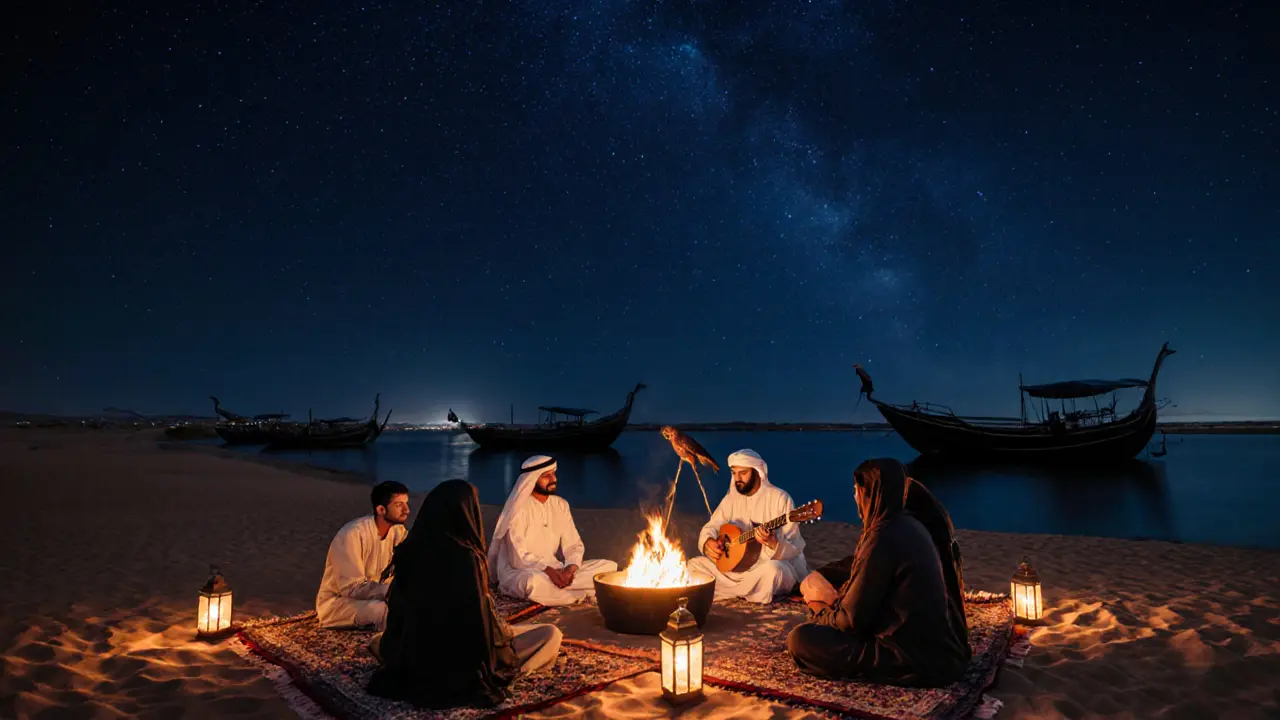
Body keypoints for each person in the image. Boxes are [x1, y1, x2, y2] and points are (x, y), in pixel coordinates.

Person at [368, 479, 563, 709]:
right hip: (461, 661)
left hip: (417, 655)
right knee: (550, 635)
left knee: (377, 642)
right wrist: (504, 638)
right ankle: (511, 675)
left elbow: (397, 617)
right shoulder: (467, 559)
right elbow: (479, 631)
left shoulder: (409, 551)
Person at [788, 458, 970, 687]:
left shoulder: (882, 537)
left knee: (801, 639)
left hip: (909, 658)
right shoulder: (909, 524)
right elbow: (861, 566)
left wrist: (819, 607)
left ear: (868, 492)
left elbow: (851, 621)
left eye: (856, 491)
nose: (854, 498)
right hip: (937, 651)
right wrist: (824, 577)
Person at [489, 455, 617, 606]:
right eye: (546, 476)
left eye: (553, 473)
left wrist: (569, 569)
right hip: (522, 572)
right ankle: (575, 592)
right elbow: (518, 557)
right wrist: (549, 571)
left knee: (608, 566)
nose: (553, 479)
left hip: (557, 570)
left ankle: (560, 593)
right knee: (532, 583)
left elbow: (574, 545)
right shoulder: (517, 509)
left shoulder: (560, 505)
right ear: (531, 479)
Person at [686, 449, 809, 604]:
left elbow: (794, 548)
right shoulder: (731, 499)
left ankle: (730, 592)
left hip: (762, 568)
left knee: (774, 571)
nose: (738, 478)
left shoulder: (779, 498)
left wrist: (773, 543)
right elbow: (712, 526)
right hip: (735, 570)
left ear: (757, 472)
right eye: (734, 473)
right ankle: (747, 593)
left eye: (743, 473)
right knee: (694, 565)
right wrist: (708, 542)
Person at [315, 481, 412, 631]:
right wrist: (390, 592)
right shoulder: (353, 534)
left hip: (374, 596)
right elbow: (352, 588)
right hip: (339, 603)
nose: (407, 510)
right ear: (381, 509)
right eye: (399, 505)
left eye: (406, 504)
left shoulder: (398, 532)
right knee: (383, 611)